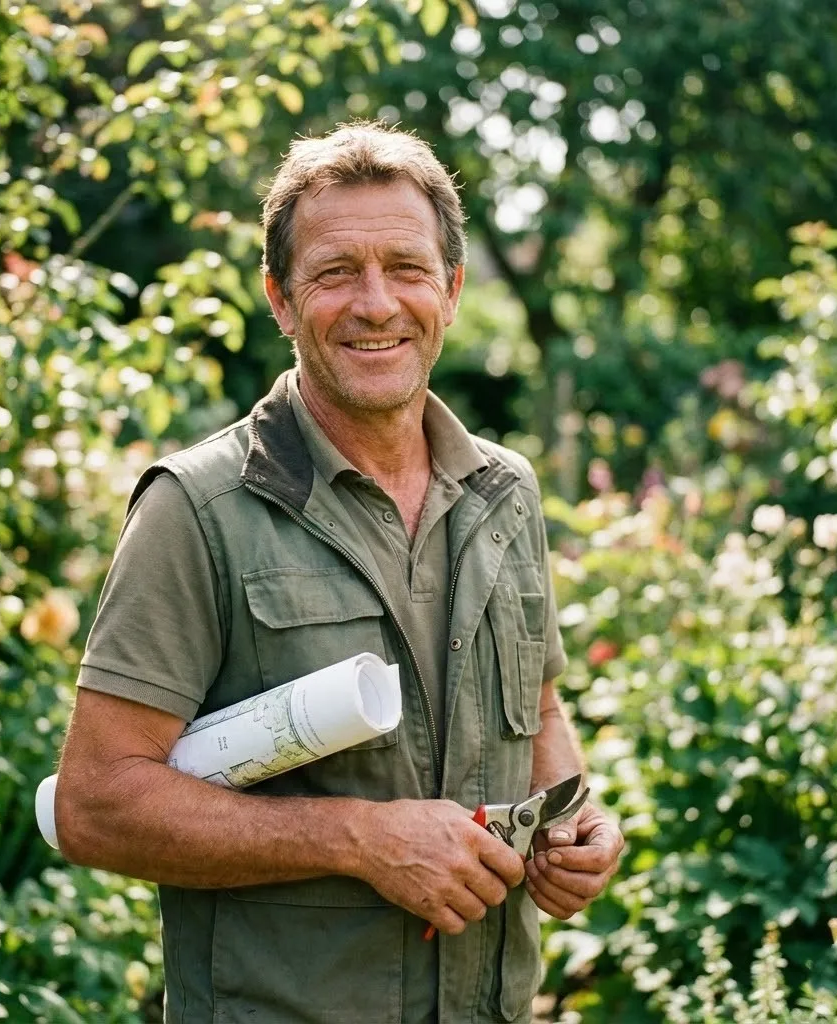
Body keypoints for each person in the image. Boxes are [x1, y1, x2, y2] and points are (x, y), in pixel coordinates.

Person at [55, 121, 623, 1024]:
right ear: (280, 299)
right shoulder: (198, 509)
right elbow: (98, 803)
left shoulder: (503, 492)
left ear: (452, 288)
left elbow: (542, 712)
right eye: (334, 273)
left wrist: (576, 827)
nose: (375, 303)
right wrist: (360, 840)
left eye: (405, 268)